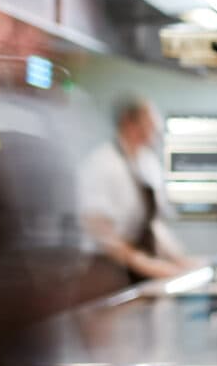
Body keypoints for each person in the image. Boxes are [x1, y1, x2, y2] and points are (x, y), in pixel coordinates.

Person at [77, 95, 192, 297]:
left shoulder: (148, 163)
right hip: (105, 270)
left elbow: (154, 224)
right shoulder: (101, 164)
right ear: (129, 123)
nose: (155, 130)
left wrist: (181, 260)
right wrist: (143, 263)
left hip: (138, 269)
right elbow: (101, 232)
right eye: (149, 123)